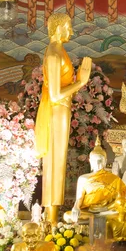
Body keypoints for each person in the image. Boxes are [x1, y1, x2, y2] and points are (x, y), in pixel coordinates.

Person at [35, 13, 92, 224]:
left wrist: (76, 82)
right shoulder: (53, 54)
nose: (72, 31)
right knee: (54, 162)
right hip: (56, 109)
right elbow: (56, 94)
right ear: (58, 28)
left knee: (59, 161)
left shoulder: (60, 51)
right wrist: (81, 82)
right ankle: (50, 218)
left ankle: (53, 215)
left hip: (62, 110)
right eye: (68, 27)